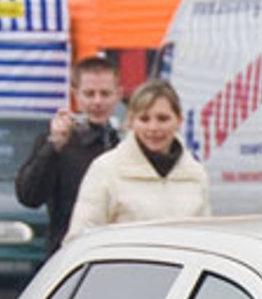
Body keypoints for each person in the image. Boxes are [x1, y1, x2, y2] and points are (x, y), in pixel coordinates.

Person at [66, 79, 210, 240]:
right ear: (131, 121)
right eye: (144, 119)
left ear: (179, 121)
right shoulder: (106, 170)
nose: (153, 128)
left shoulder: (196, 174)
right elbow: (79, 239)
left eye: (162, 119)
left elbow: (204, 241)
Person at [16, 54, 122, 252]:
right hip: (70, 254)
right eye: (89, 94)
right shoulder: (60, 141)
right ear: (75, 95)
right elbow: (29, 196)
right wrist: (53, 147)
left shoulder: (124, 144)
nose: (97, 102)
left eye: (105, 94)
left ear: (118, 94)